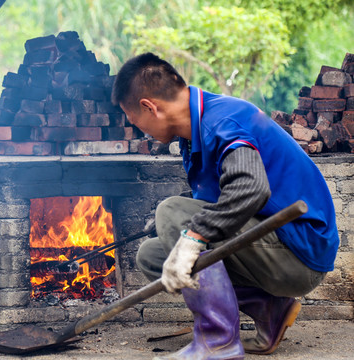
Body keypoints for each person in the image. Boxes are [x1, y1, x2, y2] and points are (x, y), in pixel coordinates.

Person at [111, 53, 340, 360]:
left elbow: (251, 189)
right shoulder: (194, 134)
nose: (139, 130)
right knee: (153, 255)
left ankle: (218, 341)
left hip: (299, 253)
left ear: (149, 107)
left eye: (134, 121)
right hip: (274, 249)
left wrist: (186, 227)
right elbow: (220, 199)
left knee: (171, 213)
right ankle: (270, 309)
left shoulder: (223, 121)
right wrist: (179, 225)